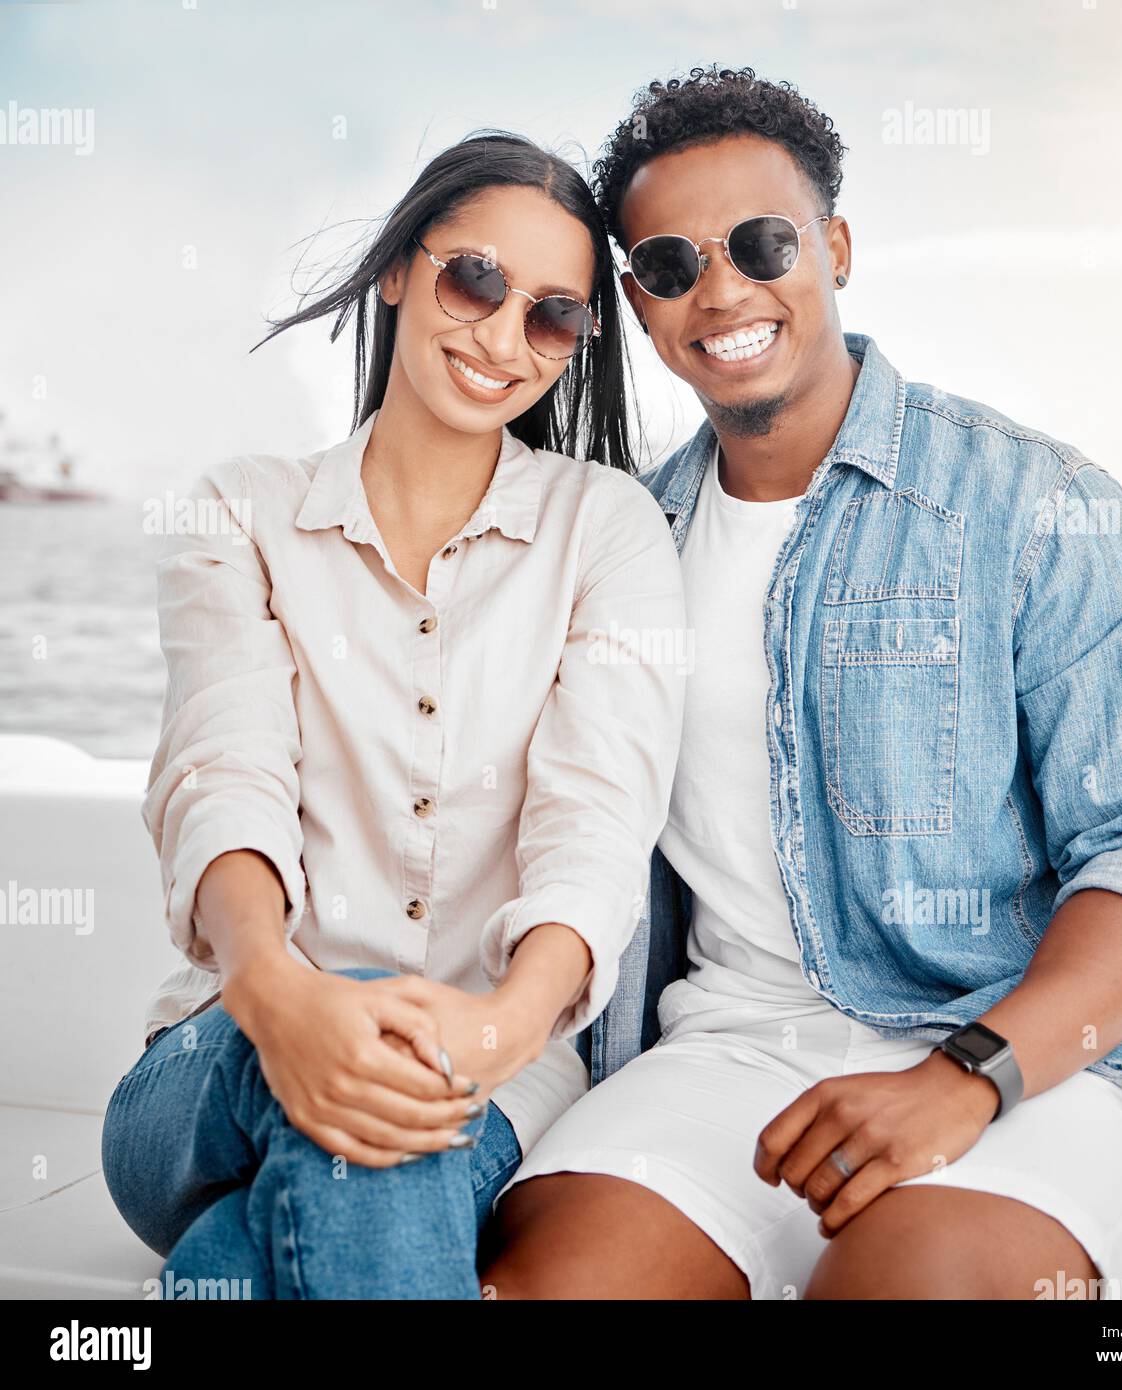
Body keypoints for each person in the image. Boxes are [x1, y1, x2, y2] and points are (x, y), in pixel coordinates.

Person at [483, 68, 1122, 1301]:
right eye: (672, 264)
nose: (721, 289)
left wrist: (964, 1078)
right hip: (725, 1052)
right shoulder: (625, 546)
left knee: (905, 1289)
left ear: (834, 245)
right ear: (637, 298)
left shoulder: (1037, 505)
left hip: (1028, 1062)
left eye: (763, 242)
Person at [100, 131, 686, 1299]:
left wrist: (490, 1030)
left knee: (246, 1257)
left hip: (491, 1077)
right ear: (399, 271)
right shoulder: (242, 510)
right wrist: (278, 994)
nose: (501, 337)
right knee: (370, 1032)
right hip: (215, 1068)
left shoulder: (606, 528)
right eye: (475, 279)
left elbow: (598, 824)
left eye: (552, 316)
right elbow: (227, 775)